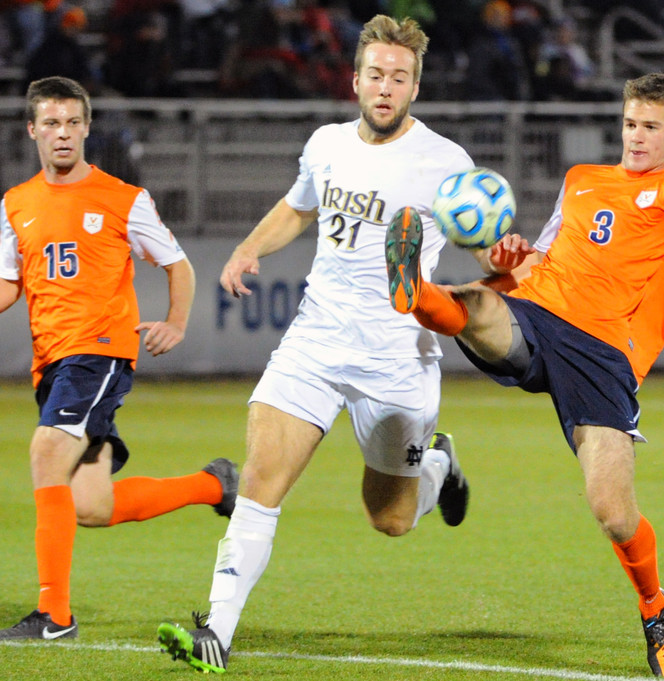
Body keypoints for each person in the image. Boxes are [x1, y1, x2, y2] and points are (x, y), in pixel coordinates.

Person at [386, 72, 664, 677]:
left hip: (605, 354)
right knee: (472, 304)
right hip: (541, 313)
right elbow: (537, 263)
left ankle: (656, 610)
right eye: (630, 123)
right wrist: (509, 258)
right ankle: (413, 292)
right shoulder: (581, 181)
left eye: (650, 128)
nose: (636, 137)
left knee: (612, 511)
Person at [156, 15, 530, 673]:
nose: (386, 88)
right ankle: (215, 628)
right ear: (355, 80)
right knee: (263, 477)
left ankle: (439, 468)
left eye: (400, 78)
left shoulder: (446, 164)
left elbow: (485, 247)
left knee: (388, 518)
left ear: (415, 88)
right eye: (377, 75)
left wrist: (504, 254)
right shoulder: (326, 143)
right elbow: (299, 206)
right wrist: (247, 248)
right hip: (317, 340)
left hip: (399, 361)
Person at [0, 76, 238, 641]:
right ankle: (214, 485)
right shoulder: (15, 204)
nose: (62, 134)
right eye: (51, 124)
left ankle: (55, 617)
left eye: (72, 123)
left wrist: (176, 322)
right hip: (52, 363)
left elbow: (178, 264)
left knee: (45, 453)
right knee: (90, 506)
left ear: (86, 128)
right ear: (32, 130)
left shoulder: (123, 199)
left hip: (100, 352)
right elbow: (8, 285)